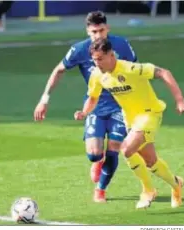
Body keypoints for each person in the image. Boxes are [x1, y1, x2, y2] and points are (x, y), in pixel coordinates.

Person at [34, 11, 137, 202]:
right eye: (94, 32)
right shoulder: (80, 50)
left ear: (108, 28)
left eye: (101, 30)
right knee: (94, 154)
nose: (98, 35)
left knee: (114, 148)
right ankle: (97, 161)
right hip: (95, 106)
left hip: (120, 107)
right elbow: (58, 70)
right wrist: (44, 99)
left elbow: (136, 71)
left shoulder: (121, 44)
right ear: (88, 32)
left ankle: (100, 189)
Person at [74, 38, 184, 209]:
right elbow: (93, 97)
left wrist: (179, 99)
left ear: (111, 55)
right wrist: (84, 112)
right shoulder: (98, 75)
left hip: (149, 114)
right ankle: (175, 184)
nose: (96, 63)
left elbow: (164, 73)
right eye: (94, 59)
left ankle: (148, 190)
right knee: (150, 161)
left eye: (100, 59)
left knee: (127, 149)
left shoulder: (131, 68)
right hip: (130, 118)